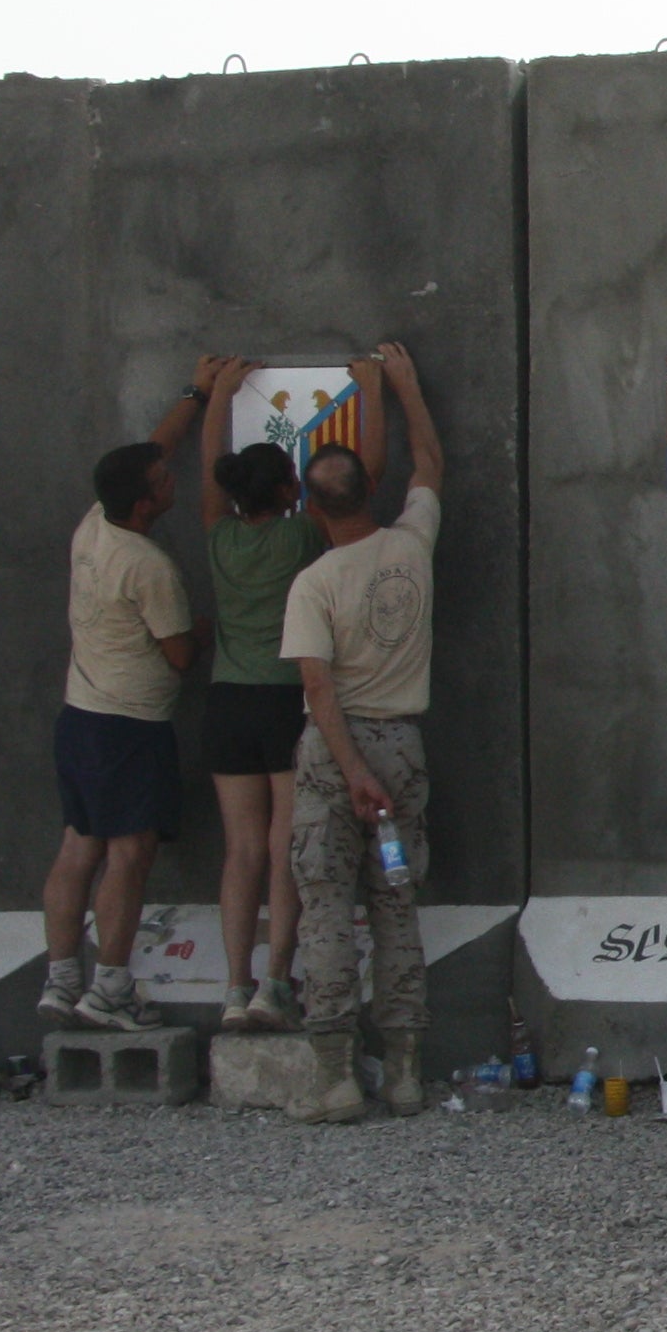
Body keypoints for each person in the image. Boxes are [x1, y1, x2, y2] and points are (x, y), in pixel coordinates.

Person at [279, 341, 445, 1123]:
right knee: (396, 907)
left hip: (333, 759)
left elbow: (317, 687)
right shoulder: (414, 547)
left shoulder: (313, 584)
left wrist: (347, 771)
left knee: (326, 909)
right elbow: (431, 466)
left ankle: (336, 1076)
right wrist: (404, 388)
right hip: (403, 747)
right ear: (369, 490)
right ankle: (407, 1072)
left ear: (312, 508)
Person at [36, 385, 213, 1033]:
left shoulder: (95, 524)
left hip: (79, 716)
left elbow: (153, 449)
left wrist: (195, 395)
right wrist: (204, 630)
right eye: (165, 482)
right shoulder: (148, 566)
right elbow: (179, 658)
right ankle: (110, 987)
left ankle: (61, 980)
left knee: (77, 849)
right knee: (129, 855)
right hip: (131, 728)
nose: (173, 481)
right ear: (146, 504)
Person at [197, 357, 365, 1035]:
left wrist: (215, 395)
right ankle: (275, 983)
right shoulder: (303, 534)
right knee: (284, 848)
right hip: (281, 702)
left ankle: (234, 986)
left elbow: (208, 466)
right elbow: (359, 478)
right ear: (293, 490)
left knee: (240, 851)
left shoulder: (219, 536)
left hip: (225, 702)